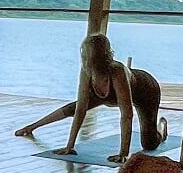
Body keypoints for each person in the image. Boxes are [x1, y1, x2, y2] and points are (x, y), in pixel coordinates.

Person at [15, 33, 168, 162]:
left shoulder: (117, 71)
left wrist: (123, 153)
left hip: (146, 91)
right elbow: (80, 109)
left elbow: (127, 114)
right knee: (73, 108)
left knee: (149, 144)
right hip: (108, 95)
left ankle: (162, 128)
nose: (85, 58)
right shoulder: (87, 70)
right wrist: (70, 146)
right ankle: (31, 127)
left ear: (102, 55)